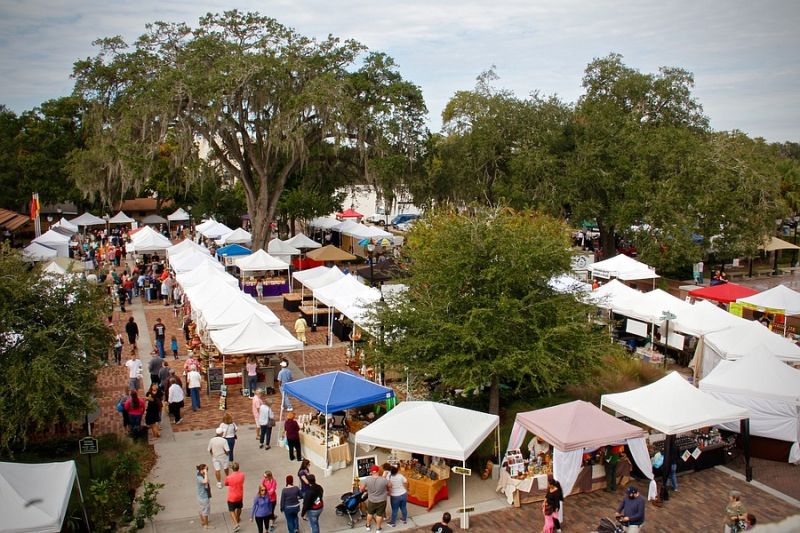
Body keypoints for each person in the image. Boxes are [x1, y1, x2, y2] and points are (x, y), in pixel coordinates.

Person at [360, 464, 391, 532]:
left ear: (371, 472)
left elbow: (361, 489)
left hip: (371, 500)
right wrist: (388, 491)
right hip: (381, 500)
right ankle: (378, 528)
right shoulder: (383, 480)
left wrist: (366, 489)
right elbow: (390, 485)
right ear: (378, 471)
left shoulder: (367, 479)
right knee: (379, 515)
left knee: (370, 513)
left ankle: (368, 526)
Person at [225, 462, 245, 532]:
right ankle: (238, 518)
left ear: (232, 468)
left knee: (231, 510)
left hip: (232, 496)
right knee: (239, 507)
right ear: (238, 467)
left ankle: (236, 523)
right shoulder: (242, 475)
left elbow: (226, 483)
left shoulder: (229, 477)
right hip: (240, 494)